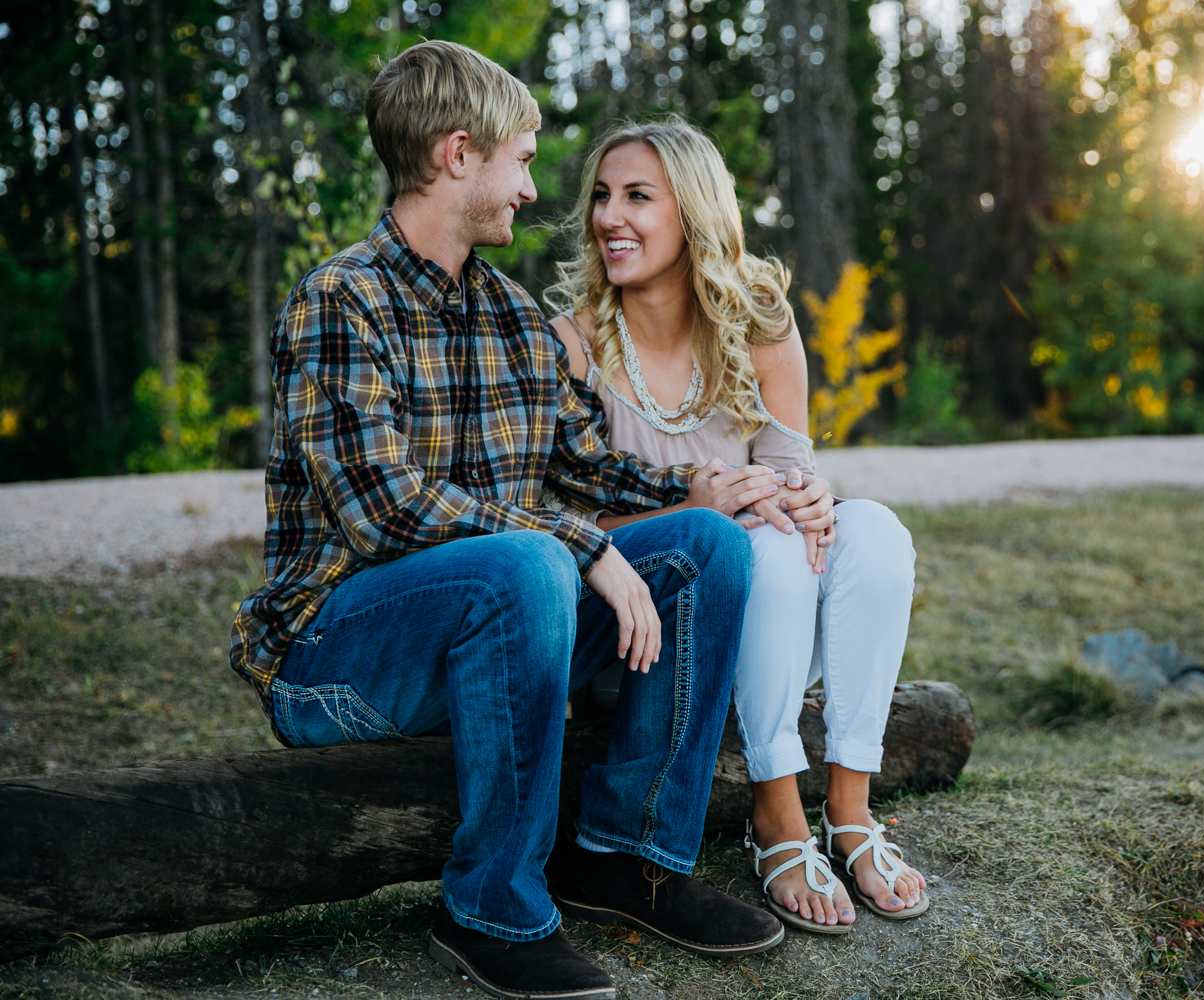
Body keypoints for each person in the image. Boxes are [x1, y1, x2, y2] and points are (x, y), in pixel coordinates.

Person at [229, 43, 788, 1000]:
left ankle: (629, 858)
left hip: (502, 631)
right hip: (339, 663)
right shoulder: (341, 301)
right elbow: (382, 510)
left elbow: (588, 464)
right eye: (522, 160)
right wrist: (583, 545)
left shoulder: (515, 319)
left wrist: (711, 485)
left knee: (705, 550)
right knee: (528, 560)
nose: (534, 189)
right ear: (459, 155)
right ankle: (490, 905)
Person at [545, 118, 928, 937]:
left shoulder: (757, 318)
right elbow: (565, 525)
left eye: (638, 197)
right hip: (652, 633)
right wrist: (694, 507)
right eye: (603, 197)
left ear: (694, 212)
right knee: (764, 550)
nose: (610, 216)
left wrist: (813, 497)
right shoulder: (573, 344)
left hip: (771, 615)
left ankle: (851, 811)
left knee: (874, 534)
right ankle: (777, 814)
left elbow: (791, 471)